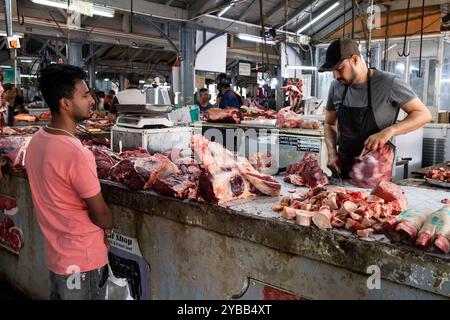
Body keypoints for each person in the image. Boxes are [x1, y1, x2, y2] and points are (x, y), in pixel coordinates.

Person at [25, 64, 114, 300]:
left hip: (57, 256)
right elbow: (100, 214)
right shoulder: (75, 153)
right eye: (84, 95)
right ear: (65, 103)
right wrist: (109, 224)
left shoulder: (36, 142)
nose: (92, 100)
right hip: (82, 260)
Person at [320, 38, 432, 177]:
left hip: (375, 171)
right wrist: (331, 153)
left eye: (339, 68)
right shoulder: (336, 87)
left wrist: (389, 131)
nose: (335, 75)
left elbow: (423, 114)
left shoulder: (389, 83)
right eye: (332, 70)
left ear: (355, 59)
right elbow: (330, 123)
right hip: (343, 168)